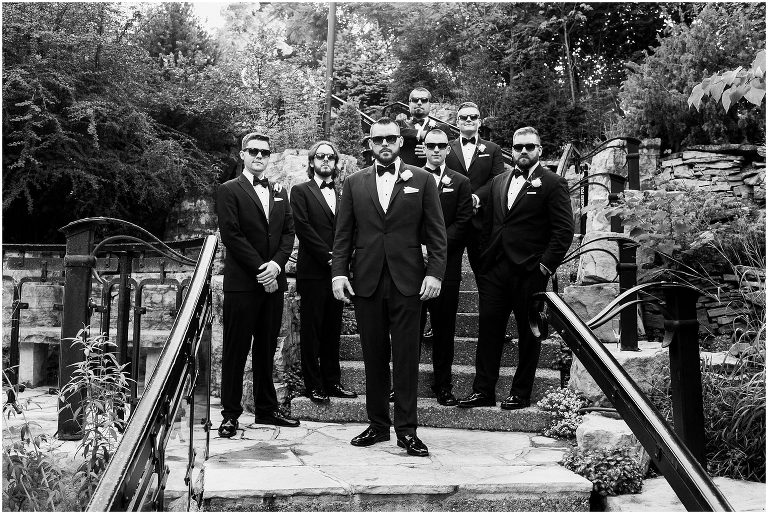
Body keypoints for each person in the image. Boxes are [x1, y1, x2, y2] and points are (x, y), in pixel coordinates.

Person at [332, 117, 447, 457]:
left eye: (391, 139)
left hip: (408, 280)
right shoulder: (353, 183)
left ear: (400, 142)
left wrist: (435, 274)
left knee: (407, 355)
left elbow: (437, 234)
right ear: (369, 143)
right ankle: (379, 425)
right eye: (378, 139)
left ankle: (407, 430)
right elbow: (343, 234)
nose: (385, 144)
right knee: (374, 354)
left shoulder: (423, 180)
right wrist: (339, 273)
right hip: (367, 280)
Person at [457, 127, 574, 410]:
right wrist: (484, 261)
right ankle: (483, 390)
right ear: (511, 149)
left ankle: (521, 393)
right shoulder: (499, 181)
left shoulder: (553, 183)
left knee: (529, 333)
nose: (524, 151)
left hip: (530, 272)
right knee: (488, 331)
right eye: (518, 146)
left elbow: (563, 232)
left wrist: (544, 268)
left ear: (539, 150)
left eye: (530, 147)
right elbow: (488, 223)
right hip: (495, 270)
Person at [216, 132, 300, 437]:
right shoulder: (228, 190)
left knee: (266, 349)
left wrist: (277, 265)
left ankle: (267, 410)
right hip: (242, 284)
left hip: (273, 284)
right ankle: (230, 414)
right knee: (236, 350)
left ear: (270, 156)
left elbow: (288, 232)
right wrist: (261, 270)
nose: (259, 156)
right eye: (253, 151)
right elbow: (232, 235)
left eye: (264, 152)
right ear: (243, 155)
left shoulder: (280, 190)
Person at [290, 141, 357, 404]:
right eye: (321, 156)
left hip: (337, 274)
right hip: (314, 271)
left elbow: (349, 229)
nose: (326, 161)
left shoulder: (342, 194)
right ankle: (313, 384)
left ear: (336, 163)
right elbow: (303, 228)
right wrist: (331, 258)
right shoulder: (300, 191)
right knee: (312, 331)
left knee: (332, 329)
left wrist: (342, 261)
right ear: (312, 162)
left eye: (331, 157)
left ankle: (333, 382)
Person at [419, 129, 473, 406]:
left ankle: (443, 385)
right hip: (414, 264)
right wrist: (419, 247)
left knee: (444, 329)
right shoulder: (412, 178)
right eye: (431, 145)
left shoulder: (461, 182)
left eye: (441, 145)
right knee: (410, 329)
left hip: (447, 265)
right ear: (424, 148)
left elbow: (463, 222)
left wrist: (436, 248)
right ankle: (402, 384)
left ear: (448, 150)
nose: (437, 150)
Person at [444, 101, 504, 275]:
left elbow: (496, 179)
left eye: (473, 116)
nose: (468, 119)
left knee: (485, 274)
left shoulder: (493, 149)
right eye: (464, 117)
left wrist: (476, 198)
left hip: (481, 221)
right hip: (452, 220)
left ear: (479, 121)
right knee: (448, 274)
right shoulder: (446, 148)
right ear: (457, 122)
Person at [397, 87, 447, 167]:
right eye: (415, 100)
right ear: (409, 103)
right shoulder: (398, 126)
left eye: (424, 100)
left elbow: (453, 153)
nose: (419, 103)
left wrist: (433, 153)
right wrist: (419, 133)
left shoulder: (443, 128)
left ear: (430, 104)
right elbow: (386, 131)